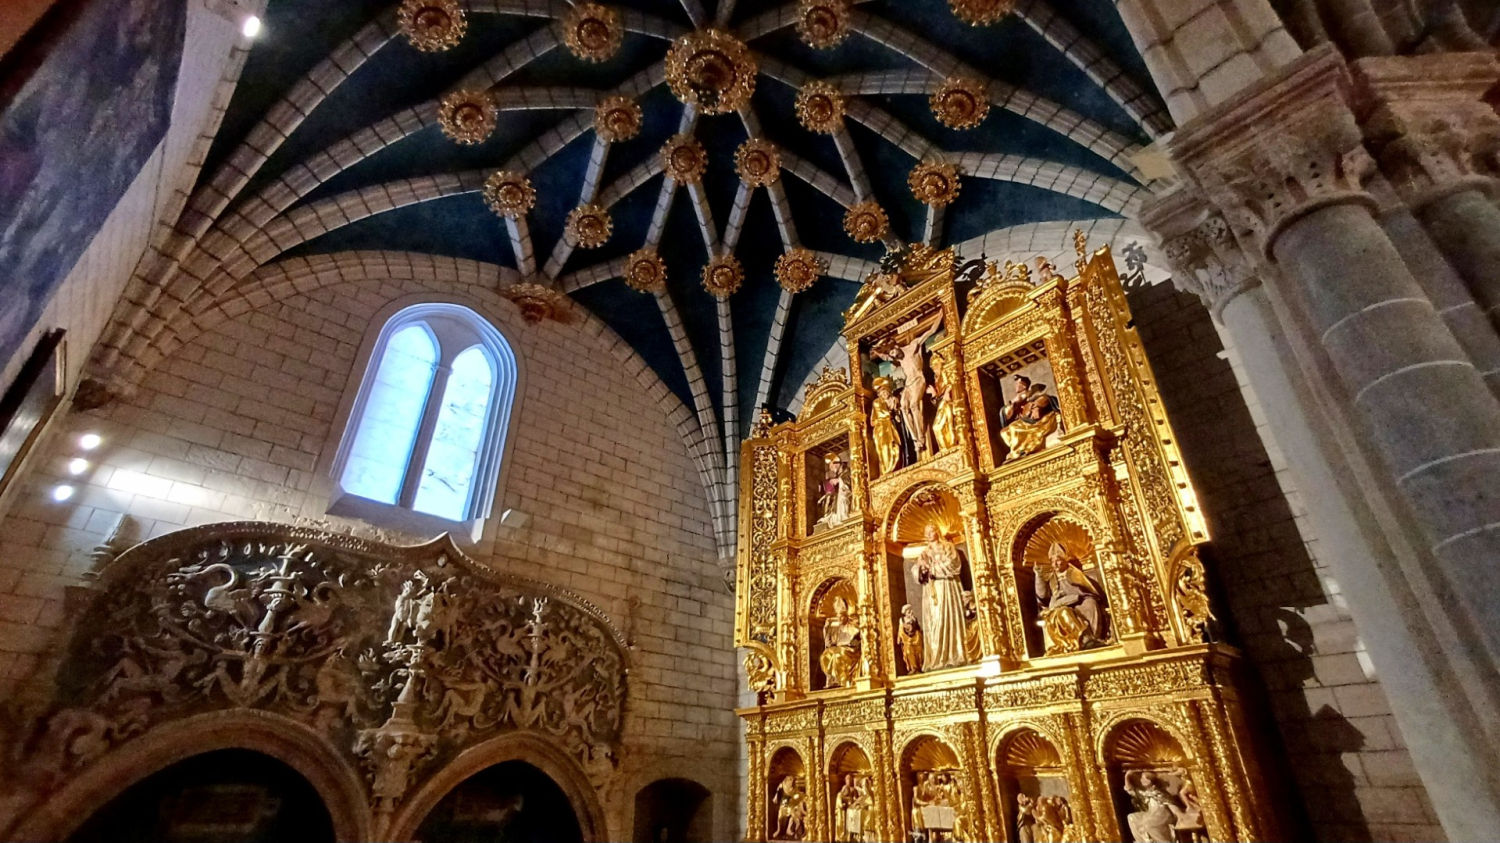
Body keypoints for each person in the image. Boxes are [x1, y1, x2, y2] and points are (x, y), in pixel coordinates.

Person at [873, 319, 943, 458]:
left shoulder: (913, 346)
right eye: (892, 355)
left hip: (918, 380)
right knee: (904, 407)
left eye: (894, 351)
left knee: (914, 405)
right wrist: (876, 350)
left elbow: (931, 331)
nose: (894, 356)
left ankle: (921, 438)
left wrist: (941, 314)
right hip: (908, 384)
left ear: (896, 346)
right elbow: (885, 357)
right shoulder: (897, 358)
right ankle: (915, 439)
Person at [1034, 542, 1107, 652]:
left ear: (1065, 560)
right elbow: (1042, 595)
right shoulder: (1052, 578)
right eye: (1052, 562)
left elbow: (1085, 590)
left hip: (1079, 601)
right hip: (1059, 607)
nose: (1055, 564)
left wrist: (1076, 597)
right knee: (1064, 612)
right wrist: (1038, 576)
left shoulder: (1074, 573)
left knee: (1090, 603)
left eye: (1058, 560)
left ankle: (1094, 637)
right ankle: (1084, 640)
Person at [917, 525, 967, 670]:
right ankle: (937, 656)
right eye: (927, 532)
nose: (929, 534)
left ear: (937, 532)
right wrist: (922, 569)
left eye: (931, 531)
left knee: (948, 616)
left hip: (947, 586)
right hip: (932, 590)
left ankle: (953, 654)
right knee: (935, 620)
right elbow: (917, 573)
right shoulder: (924, 553)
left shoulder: (948, 547)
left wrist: (933, 568)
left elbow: (954, 564)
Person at [1000, 381, 1061, 458]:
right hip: (1024, 421)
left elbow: (1044, 401)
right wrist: (1014, 403)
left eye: (1020, 384)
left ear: (1025, 386)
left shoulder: (1036, 396)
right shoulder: (1016, 401)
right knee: (1004, 432)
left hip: (1034, 422)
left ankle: (1021, 450)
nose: (1017, 387)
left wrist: (1036, 407)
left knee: (1013, 427)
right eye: (1016, 384)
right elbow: (1006, 415)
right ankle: (1018, 450)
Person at [820, 597, 861, 689]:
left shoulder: (852, 626)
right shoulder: (836, 628)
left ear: (846, 617)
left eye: (842, 617)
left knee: (837, 655)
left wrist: (851, 643)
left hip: (850, 650)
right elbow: (829, 643)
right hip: (839, 648)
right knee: (825, 654)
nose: (840, 619)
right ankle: (832, 680)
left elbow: (856, 639)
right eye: (838, 617)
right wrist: (826, 629)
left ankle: (841, 680)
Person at [870, 378, 904, 474]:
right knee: (884, 448)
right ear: (879, 394)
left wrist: (896, 412)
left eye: (885, 391)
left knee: (894, 446)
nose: (884, 393)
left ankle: (894, 467)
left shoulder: (894, 400)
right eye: (882, 392)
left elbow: (898, 412)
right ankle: (886, 470)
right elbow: (877, 418)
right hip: (881, 430)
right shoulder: (877, 402)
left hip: (891, 427)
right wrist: (890, 412)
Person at [927, 351, 958, 452]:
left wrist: (947, 392)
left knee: (946, 425)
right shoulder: (937, 379)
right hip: (942, 404)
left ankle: (950, 447)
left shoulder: (944, 374)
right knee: (939, 427)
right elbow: (938, 401)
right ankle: (945, 448)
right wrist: (934, 394)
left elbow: (950, 384)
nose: (934, 368)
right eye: (933, 367)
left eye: (936, 365)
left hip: (947, 404)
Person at [818, 454, 852, 526]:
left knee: (841, 498)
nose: (832, 470)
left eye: (832, 467)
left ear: (837, 464)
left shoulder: (847, 472)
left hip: (845, 498)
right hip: (836, 501)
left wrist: (839, 481)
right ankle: (830, 517)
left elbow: (849, 485)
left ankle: (840, 517)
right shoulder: (838, 475)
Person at [898, 603, 923, 674]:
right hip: (906, 639)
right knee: (909, 651)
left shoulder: (914, 619)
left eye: (910, 610)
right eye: (908, 611)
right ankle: (913, 667)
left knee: (918, 651)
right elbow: (901, 630)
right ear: (905, 613)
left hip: (916, 638)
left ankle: (919, 666)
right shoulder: (902, 620)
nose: (910, 612)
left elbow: (918, 628)